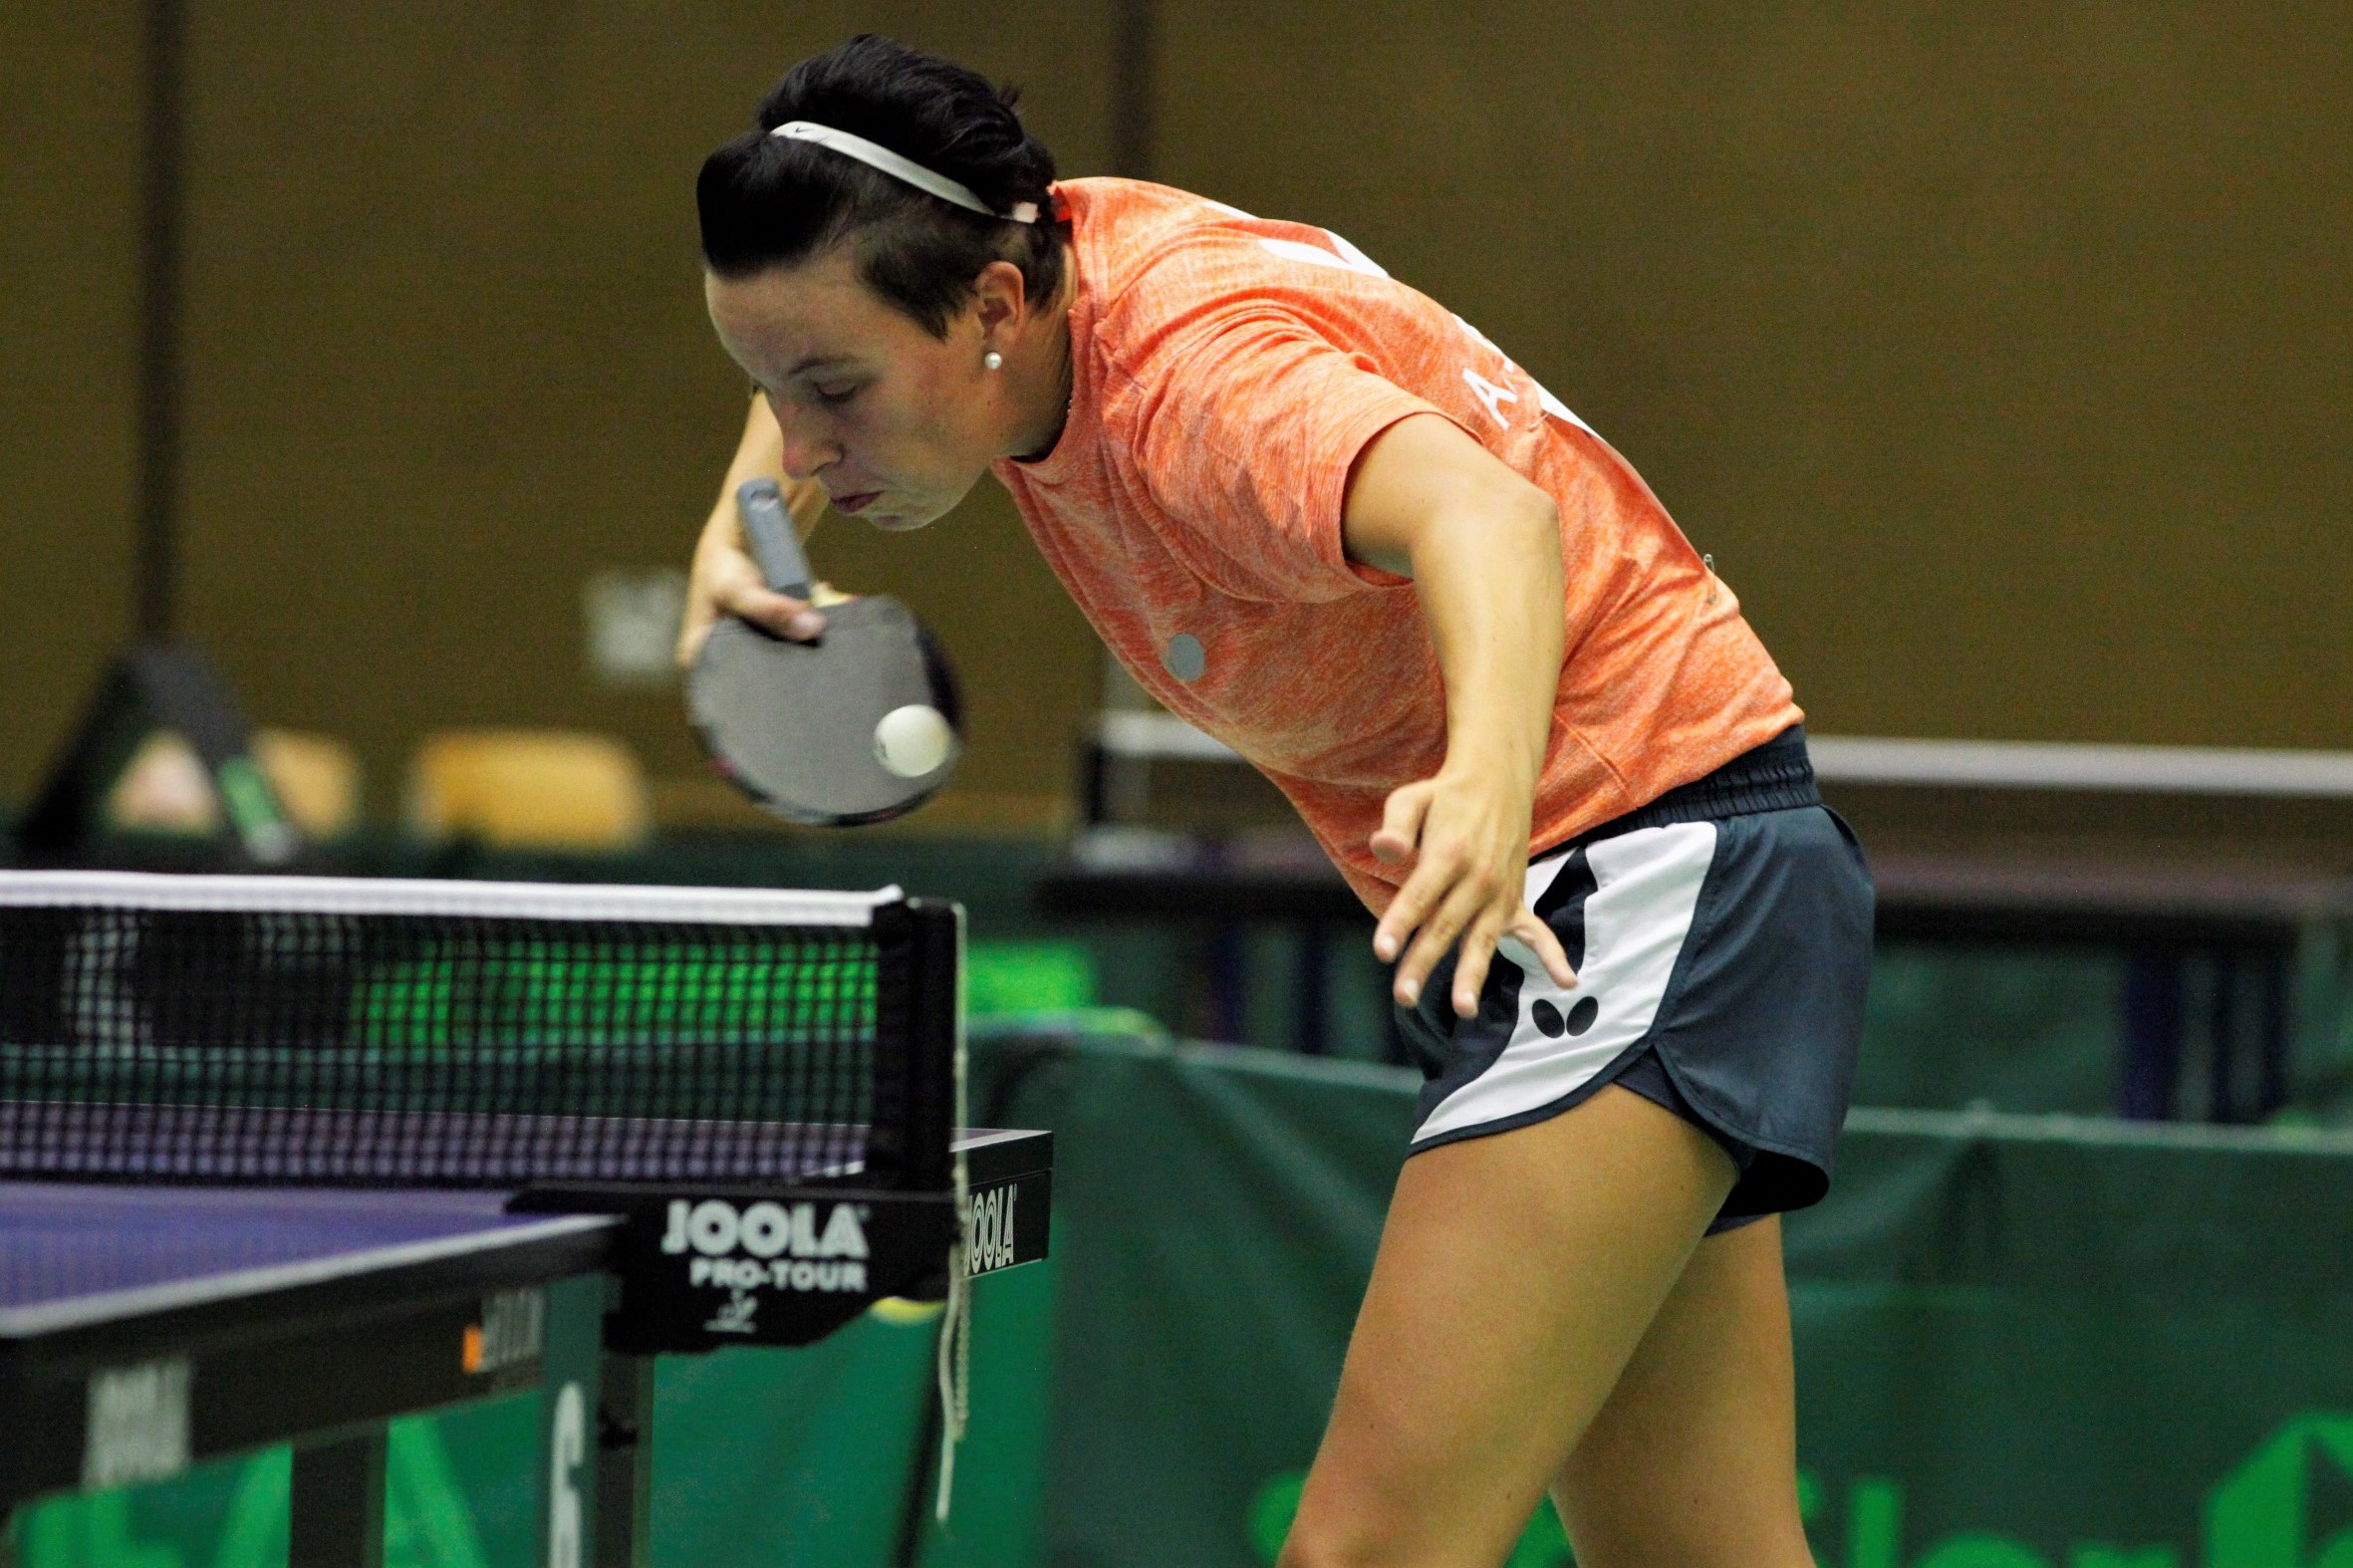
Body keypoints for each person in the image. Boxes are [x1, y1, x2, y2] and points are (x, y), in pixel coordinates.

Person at [675, 34, 1872, 1568]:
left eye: (832, 391)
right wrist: (740, 529)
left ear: (991, 309)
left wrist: (1488, 780)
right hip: (1633, 873)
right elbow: (821, 320)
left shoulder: (1197, 385)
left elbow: (1488, 516)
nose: (799, 441)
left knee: (1361, 1553)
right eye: (768, 388)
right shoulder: (999, 246)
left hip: (1634, 869)